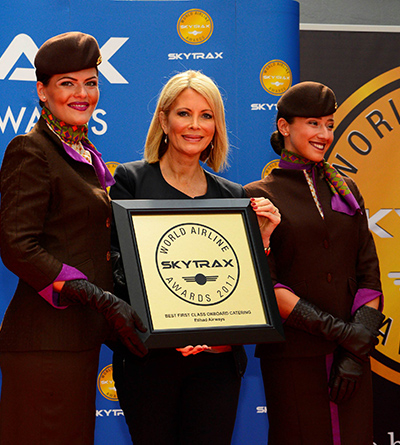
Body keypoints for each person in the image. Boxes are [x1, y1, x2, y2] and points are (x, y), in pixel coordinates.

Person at [109, 70, 281, 445]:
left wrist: (263, 239)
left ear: (216, 127)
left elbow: (243, 284)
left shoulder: (232, 196)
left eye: (206, 116)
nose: (194, 125)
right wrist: (170, 326)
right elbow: (117, 266)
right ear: (164, 120)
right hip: (150, 361)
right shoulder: (131, 181)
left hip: (217, 364)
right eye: (183, 113)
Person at [0, 31, 147, 445]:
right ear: (42, 91)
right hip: (45, 342)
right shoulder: (31, 149)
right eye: (67, 83)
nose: (82, 94)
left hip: (76, 338)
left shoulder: (82, 152)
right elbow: (18, 247)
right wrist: (98, 298)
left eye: (90, 83)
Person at [243, 81, 385, 444]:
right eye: (313, 123)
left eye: (329, 125)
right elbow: (267, 285)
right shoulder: (258, 196)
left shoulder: (346, 189)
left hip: (352, 359)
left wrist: (355, 349)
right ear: (284, 126)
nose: (324, 134)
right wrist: (344, 335)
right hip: (293, 358)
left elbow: (369, 273)